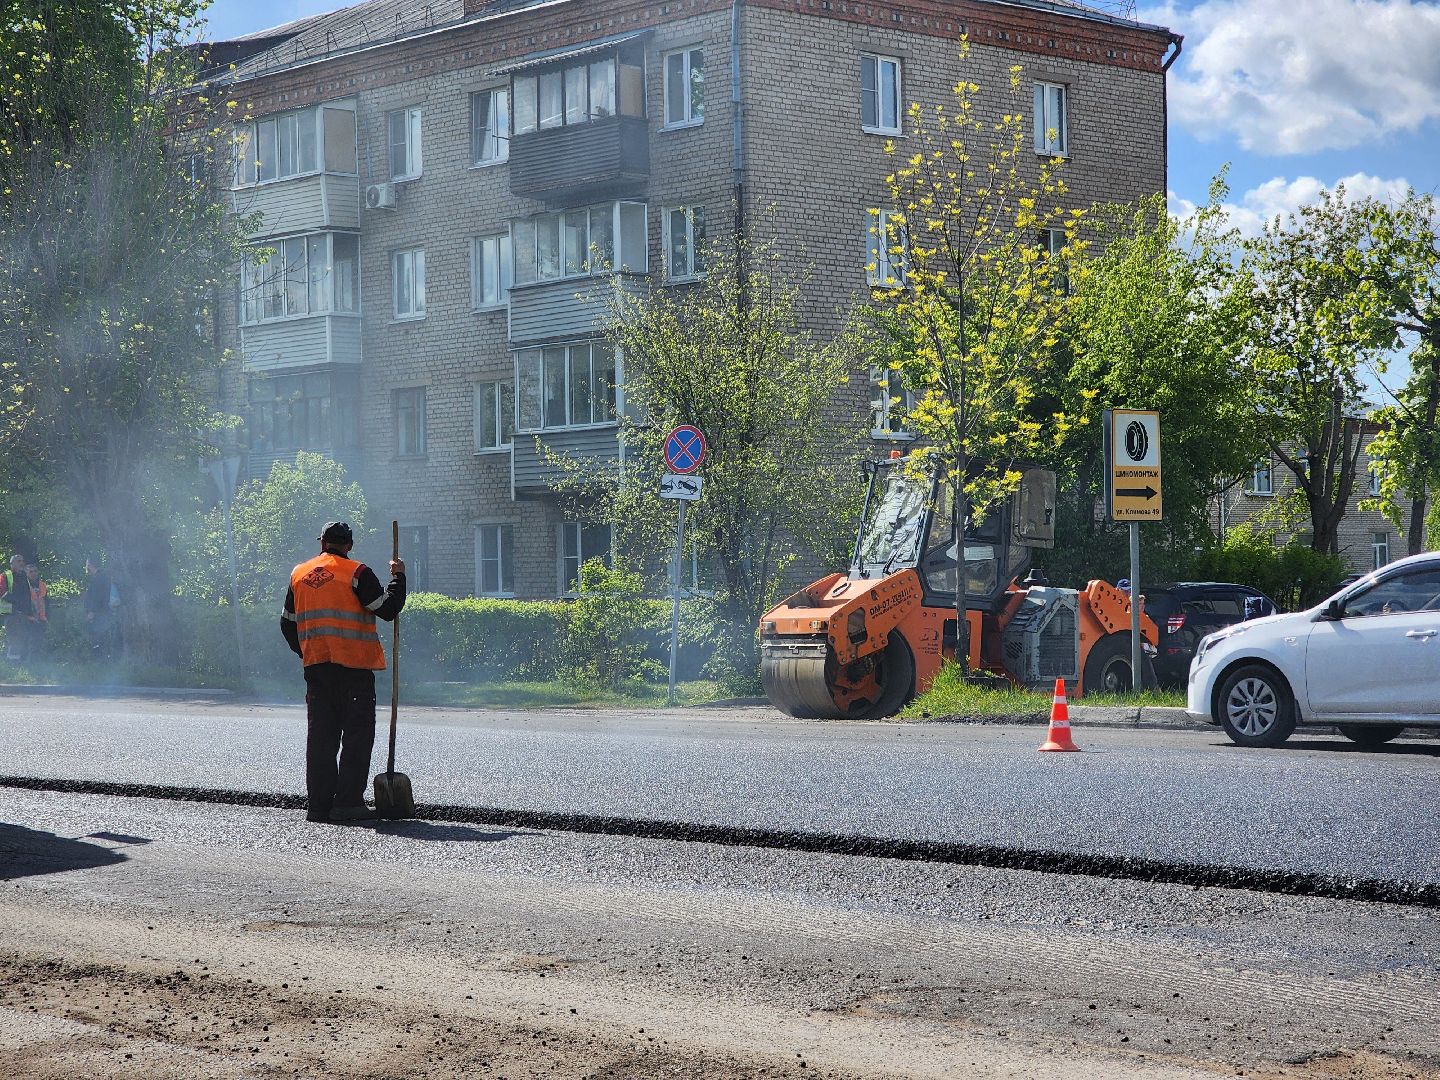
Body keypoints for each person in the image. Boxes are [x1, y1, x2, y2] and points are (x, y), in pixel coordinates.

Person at [281, 522, 405, 823]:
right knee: (357, 736)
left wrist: (307, 652)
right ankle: (348, 803)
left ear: (322, 542)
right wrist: (398, 577)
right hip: (354, 670)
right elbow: (387, 609)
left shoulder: (299, 574)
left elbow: (287, 624)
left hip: (317, 670)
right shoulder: (357, 573)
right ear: (349, 545)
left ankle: (319, 806)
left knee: (321, 738)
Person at [83, 557, 115, 657]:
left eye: (87, 564)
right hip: (102, 612)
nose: (86, 567)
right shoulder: (100, 577)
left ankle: (101, 660)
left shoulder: (99, 578)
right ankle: (102, 659)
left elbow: (97, 597)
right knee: (100, 636)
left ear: (91, 565)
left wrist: (92, 612)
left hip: (99, 613)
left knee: (98, 637)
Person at [3, 555, 33, 661]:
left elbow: (28, 595)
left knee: (23, 637)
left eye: (22, 560)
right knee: (14, 639)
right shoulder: (5, 576)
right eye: (19, 561)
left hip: (23, 614)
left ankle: (21, 664)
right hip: (11, 614)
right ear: (12, 564)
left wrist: (29, 612)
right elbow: (2, 593)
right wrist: (17, 603)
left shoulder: (24, 577)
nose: (22, 563)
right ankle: (13, 665)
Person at [23, 562, 46, 660]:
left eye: (35, 571)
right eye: (30, 572)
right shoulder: (23, 585)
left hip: (41, 618)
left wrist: (45, 617)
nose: (33, 573)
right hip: (27, 618)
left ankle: (37, 664)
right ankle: (28, 666)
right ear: (26, 574)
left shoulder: (42, 584)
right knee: (28, 642)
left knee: (38, 642)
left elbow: (45, 601)